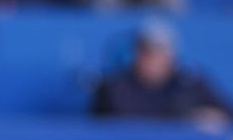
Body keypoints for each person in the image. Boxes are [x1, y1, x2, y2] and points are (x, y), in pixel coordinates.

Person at [92, 22, 232, 122]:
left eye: (159, 52)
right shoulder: (116, 88)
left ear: (171, 57)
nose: (152, 59)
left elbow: (227, 114)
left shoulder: (190, 84)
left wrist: (211, 117)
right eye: (146, 52)